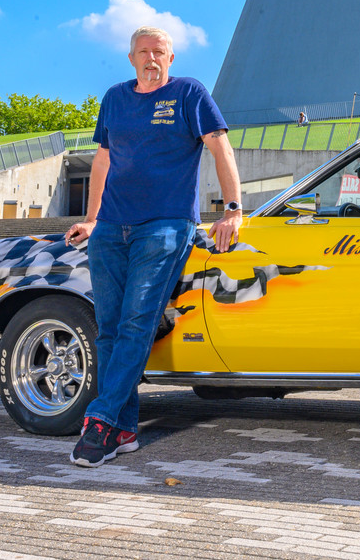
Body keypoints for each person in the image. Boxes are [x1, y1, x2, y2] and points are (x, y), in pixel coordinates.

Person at [63, 25, 244, 468]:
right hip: (111, 229)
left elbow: (221, 149)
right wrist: (91, 218)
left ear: (171, 57)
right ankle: (124, 431)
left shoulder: (189, 94)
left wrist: (233, 208)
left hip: (165, 227)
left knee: (135, 324)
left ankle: (100, 421)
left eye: (159, 52)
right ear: (130, 59)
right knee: (108, 328)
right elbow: (102, 160)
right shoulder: (115, 98)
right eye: (143, 52)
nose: (151, 58)